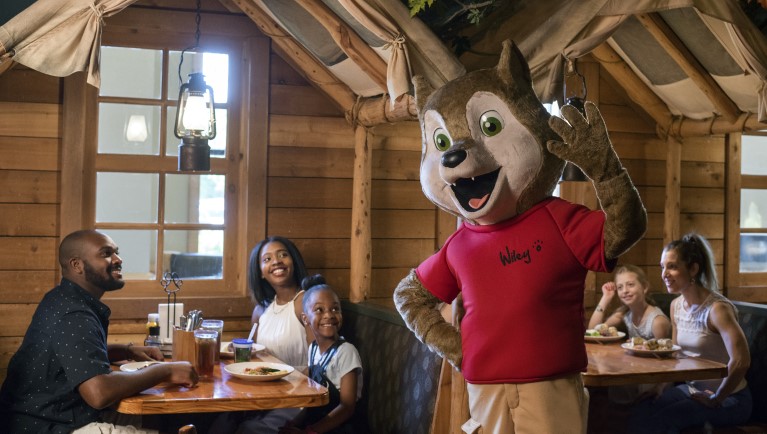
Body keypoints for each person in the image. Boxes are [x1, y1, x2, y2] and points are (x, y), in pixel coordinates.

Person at [0, 230, 198, 434]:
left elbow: (73, 356)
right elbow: (99, 392)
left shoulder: (63, 298)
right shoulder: (73, 314)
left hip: (60, 414)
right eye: (106, 254)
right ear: (77, 265)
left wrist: (126, 350)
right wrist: (167, 370)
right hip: (48, 426)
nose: (118, 259)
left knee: (170, 418)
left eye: (116, 252)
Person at [628, 233, 752, 433]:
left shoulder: (717, 309)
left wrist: (716, 398)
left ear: (693, 269)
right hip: (692, 391)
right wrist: (662, 386)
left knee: (667, 419)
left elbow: (741, 360)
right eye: (662, 267)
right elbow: (676, 356)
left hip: (731, 398)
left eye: (672, 266)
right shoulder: (676, 306)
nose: (664, 274)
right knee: (643, 408)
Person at [216, 236, 312, 434]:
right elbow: (254, 361)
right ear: (260, 271)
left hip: (300, 393)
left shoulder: (306, 302)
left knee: (250, 429)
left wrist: (276, 395)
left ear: (294, 261)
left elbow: (320, 363)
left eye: (283, 255)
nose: (276, 261)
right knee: (222, 421)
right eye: (267, 259)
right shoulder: (261, 310)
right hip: (263, 392)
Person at [279, 275, 363, 434]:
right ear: (305, 319)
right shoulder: (313, 350)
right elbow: (312, 404)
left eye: (335, 309)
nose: (329, 315)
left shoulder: (346, 352)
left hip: (341, 428)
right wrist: (294, 423)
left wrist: (309, 432)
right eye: (319, 309)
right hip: (316, 424)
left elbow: (347, 407)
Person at [588, 264, 671, 340]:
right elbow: (592, 332)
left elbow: (664, 352)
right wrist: (605, 298)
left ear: (644, 287)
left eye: (630, 285)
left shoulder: (657, 322)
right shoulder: (625, 313)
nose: (625, 291)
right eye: (620, 287)